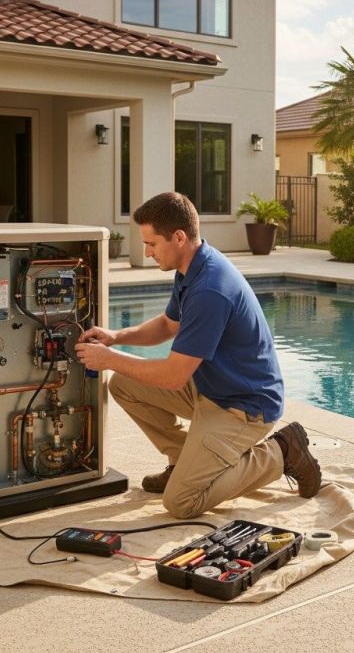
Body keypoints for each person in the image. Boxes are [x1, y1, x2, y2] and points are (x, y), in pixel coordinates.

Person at [75, 192, 321, 519]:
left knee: (181, 502)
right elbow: (167, 324)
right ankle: (181, 461)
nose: (147, 253)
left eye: (152, 244)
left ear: (178, 237)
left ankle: (283, 451)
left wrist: (108, 359)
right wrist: (116, 337)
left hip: (244, 406)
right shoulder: (191, 266)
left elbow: (174, 376)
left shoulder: (209, 289)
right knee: (123, 385)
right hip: (211, 388)